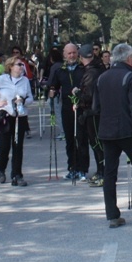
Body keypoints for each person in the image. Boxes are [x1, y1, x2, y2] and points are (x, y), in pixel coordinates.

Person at [92, 43, 132, 228]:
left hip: (107, 132)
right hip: (128, 132)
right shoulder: (131, 77)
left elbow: (96, 107)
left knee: (110, 173)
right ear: (129, 58)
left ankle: (112, 215)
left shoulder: (102, 77)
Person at [0, 55, 34, 186]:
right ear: (10, 67)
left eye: (22, 65)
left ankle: (17, 174)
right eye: (19, 65)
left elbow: (30, 98)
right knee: (5, 145)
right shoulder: (2, 79)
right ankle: (1, 168)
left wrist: (23, 101)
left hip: (20, 116)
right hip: (5, 115)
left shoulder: (25, 80)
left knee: (18, 146)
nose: (21, 67)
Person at [48, 43, 85, 180]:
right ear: (64, 55)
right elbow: (53, 85)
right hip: (67, 108)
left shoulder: (82, 68)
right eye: (69, 53)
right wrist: (52, 90)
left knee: (81, 139)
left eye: (74, 52)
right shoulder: (60, 69)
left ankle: (82, 169)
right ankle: (72, 168)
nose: (72, 55)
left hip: (82, 107)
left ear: (78, 53)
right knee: (69, 139)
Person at [78, 43, 107, 185]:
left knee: (96, 143)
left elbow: (88, 95)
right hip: (97, 110)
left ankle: (103, 172)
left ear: (81, 57)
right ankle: (101, 170)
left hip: (93, 111)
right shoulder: (98, 67)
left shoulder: (92, 72)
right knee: (97, 143)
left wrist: (78, 96)